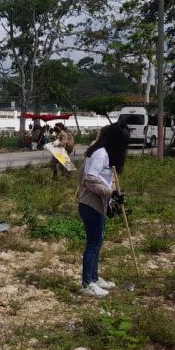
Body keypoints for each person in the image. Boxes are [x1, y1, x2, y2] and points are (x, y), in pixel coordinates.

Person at [78, 124, 128, 297]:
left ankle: (94, 278)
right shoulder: (101, 154)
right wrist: (110, 192)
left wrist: (113, 195)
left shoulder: (102, 153)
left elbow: (101, 179)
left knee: (98, 241)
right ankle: (87, 284)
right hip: (91, 205)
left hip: (97, 204)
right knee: (93, 243)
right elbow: (90, 179)